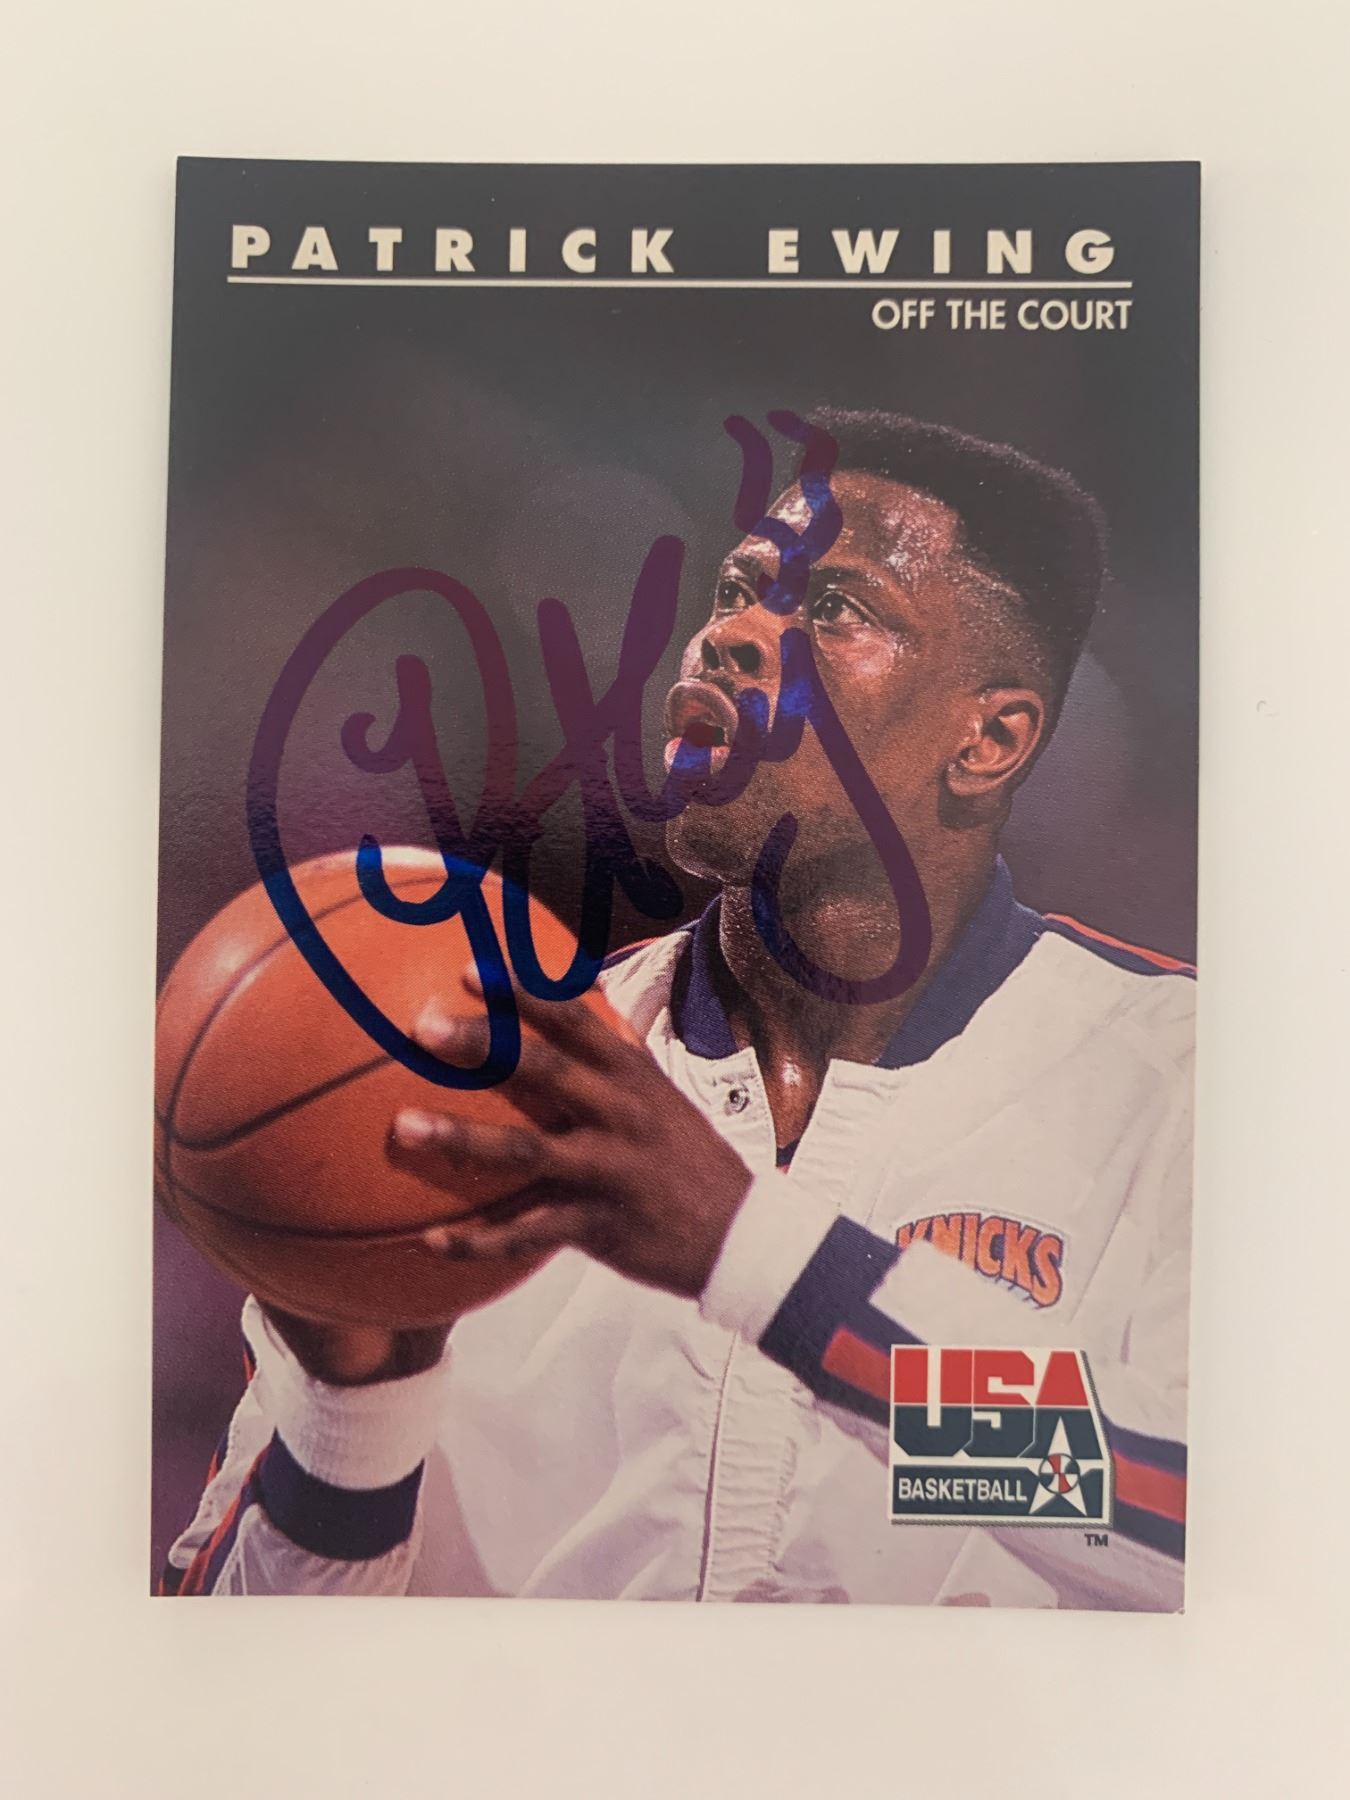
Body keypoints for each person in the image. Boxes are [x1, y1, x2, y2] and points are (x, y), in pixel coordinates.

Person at [164, 411, 1192, 1608]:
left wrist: (747, 1252)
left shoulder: (1184, 1077)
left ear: (990, 739)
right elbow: (239, 1662)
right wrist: (353, 1425)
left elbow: (1209, 1525)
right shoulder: (487, 1070)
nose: (733, 634)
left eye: (836, 607)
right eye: (738, 589)